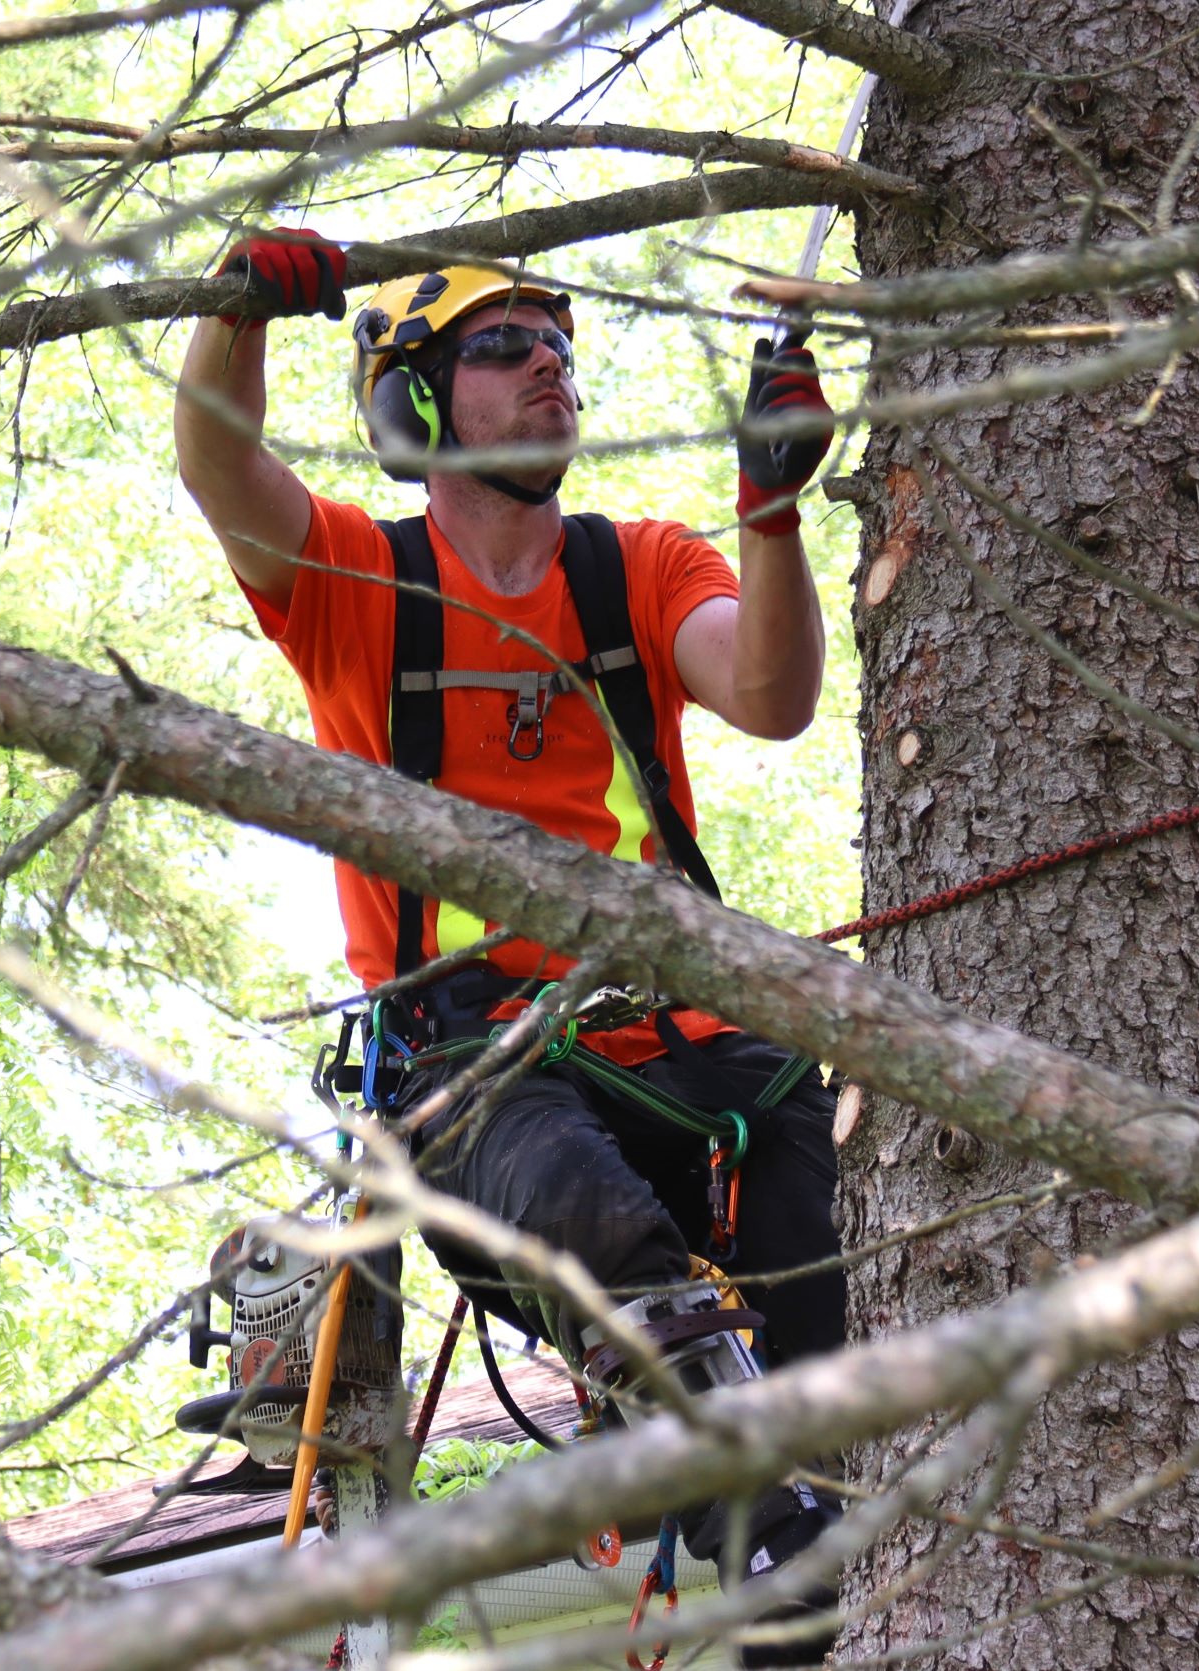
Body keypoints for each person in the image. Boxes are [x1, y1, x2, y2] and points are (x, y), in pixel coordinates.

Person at [173, 229, 844, 1663]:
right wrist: (240, 312)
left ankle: (805, 1492)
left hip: (663, 1032)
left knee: (796, 1115)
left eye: (559, 347)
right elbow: (222, 471)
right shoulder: (355, 582)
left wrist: (772, 514)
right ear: (414, 403)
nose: (549, 364)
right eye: (500, 347)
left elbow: (772, 695)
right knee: (577, 1202)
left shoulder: (640, 567)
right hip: (464, 1065)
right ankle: (732, 1491)